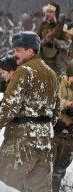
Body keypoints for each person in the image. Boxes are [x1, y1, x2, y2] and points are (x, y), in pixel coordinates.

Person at [0, 31, 60, 192]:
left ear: (30, 51)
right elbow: (56, 110)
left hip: (20, 138)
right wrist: (44, 128)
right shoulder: (52, 73)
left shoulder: (24, 70)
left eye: (18, 50)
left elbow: (9, 105)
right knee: (41, 189)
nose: (14, 54)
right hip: (45, 140)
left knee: (5, 186)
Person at [52, 60, 73, 191]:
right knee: (46, 164)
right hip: (56, 131)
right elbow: (55, 100)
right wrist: (67, 105)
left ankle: (56, 186)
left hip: (70, 135)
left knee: (61, 167)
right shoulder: (60, 83)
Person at [37, 3, 67, 76]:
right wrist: (42, 42)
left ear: (55, 13)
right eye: (47, 12)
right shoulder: (43, 25)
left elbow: (67, 43)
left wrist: (55, 41)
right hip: (43, 58)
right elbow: (36, 39)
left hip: (57, 60)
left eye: (51, 12)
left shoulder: (62, 26)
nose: (48, 14)